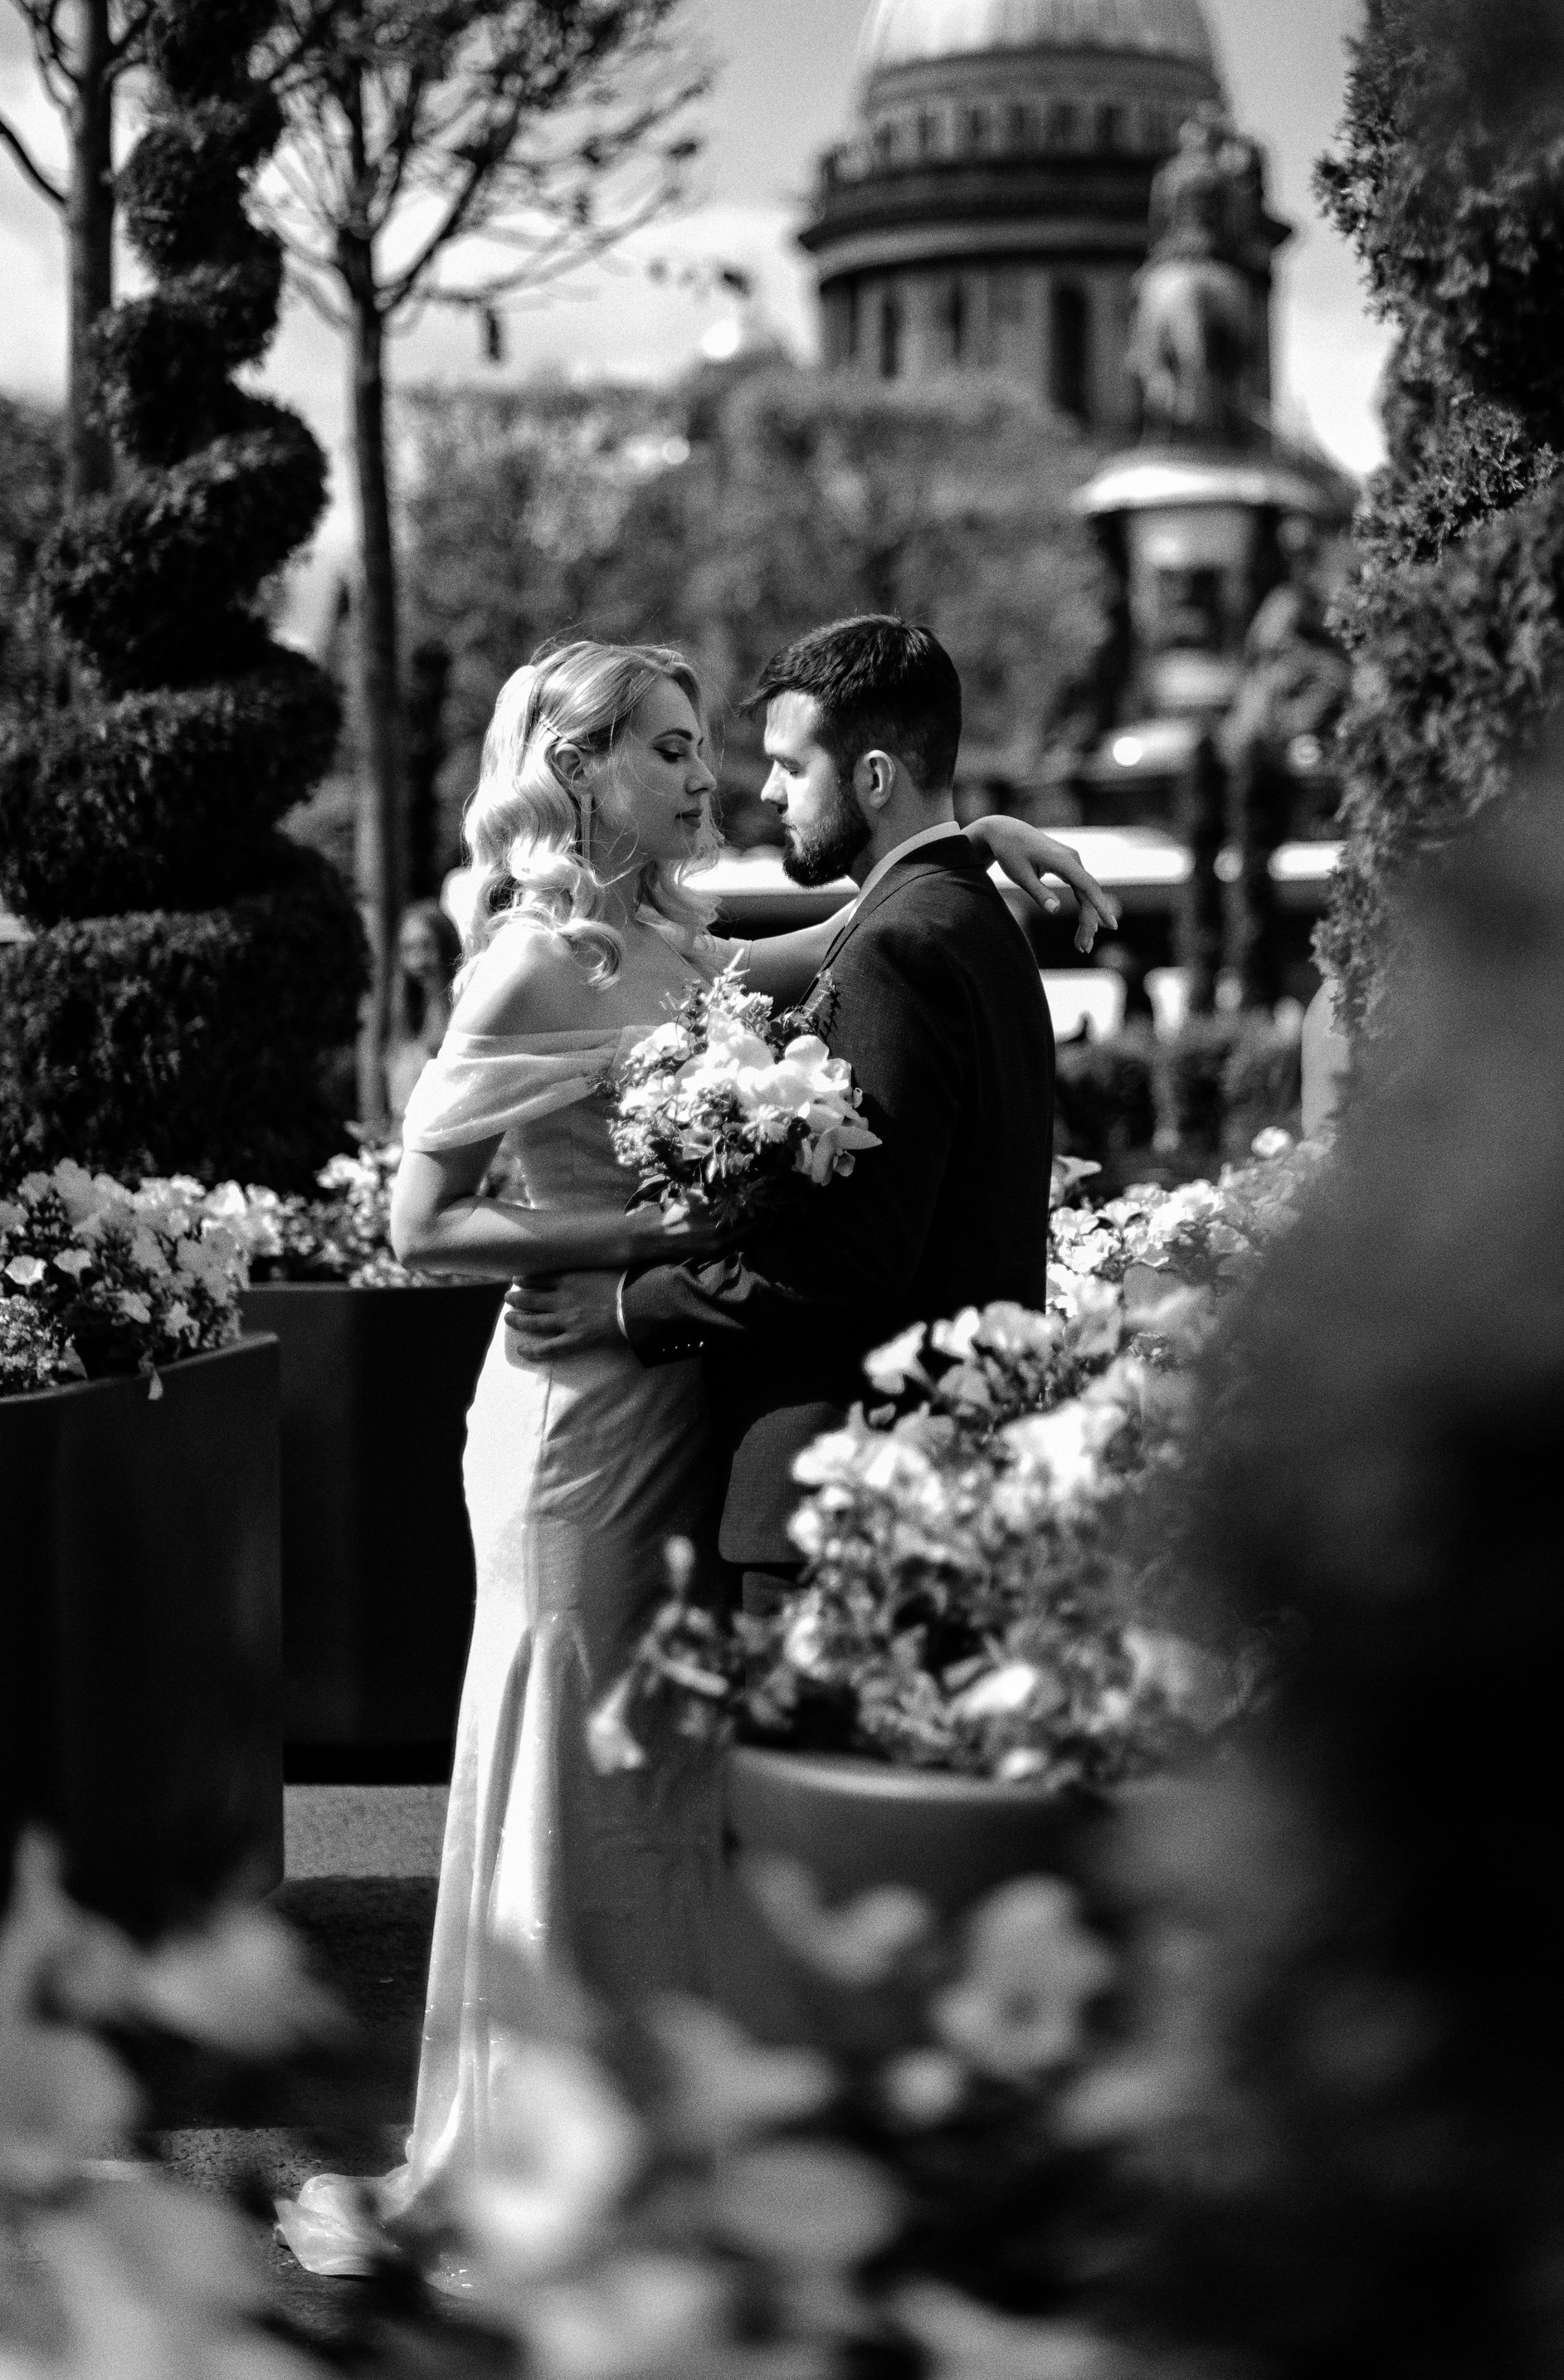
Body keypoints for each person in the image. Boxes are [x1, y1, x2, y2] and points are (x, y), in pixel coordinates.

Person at [280, 634, 1112, 2272]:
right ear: (577, 771)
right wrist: (653, 1232)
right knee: (562, 1779)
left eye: (704, 749)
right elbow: (420, 1220)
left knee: (645, 1789)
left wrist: (968, 843)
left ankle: (642, 2147)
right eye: (667, 748)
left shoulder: (670, 933)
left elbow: (845, 929)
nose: (704, 777)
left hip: (674, 1397)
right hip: (577, 1415)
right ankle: (530, 2170)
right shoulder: (526, 966)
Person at [614, 616, 1058, 1603]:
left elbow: (855, 1256)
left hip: (844, 1495)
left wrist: (632, 1306)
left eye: (789, 766)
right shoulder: (967, 922)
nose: (766, 792)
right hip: (927, 1484)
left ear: (871, 780)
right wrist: (976, 840)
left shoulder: (903, 948)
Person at [382, 897, 460, 1132]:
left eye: (427, 946)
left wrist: (438, 985)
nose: (418, 960)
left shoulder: (462, 1006)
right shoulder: (402, 1013)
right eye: (408, 949)